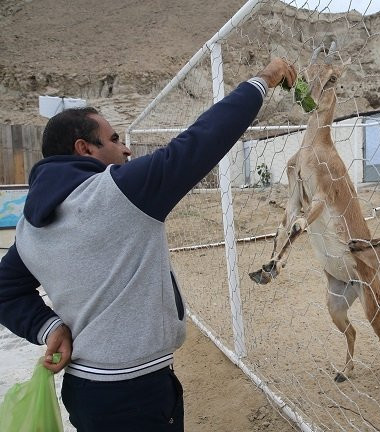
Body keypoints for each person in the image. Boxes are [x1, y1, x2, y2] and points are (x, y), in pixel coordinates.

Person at [0, 58, 296, 431]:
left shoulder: (28, 226)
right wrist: (264, 79)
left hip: (84, 392)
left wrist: (48, 328)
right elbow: (202, 139)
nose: (125, 150)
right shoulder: (121, 191)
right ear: (84, 148)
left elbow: (5, 290)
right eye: (113, 139)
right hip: (136, 393)